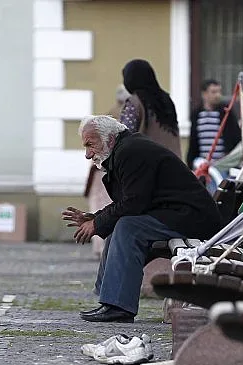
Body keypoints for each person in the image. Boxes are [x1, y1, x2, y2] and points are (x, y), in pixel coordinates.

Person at [63, 115, 224, 323]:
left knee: (128, 227)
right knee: (121, 226)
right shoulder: (126, 149)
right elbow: (130, 201)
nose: (87, 154)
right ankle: (109, 301)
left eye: (90, 145)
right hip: (178, 215)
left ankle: (118, 306)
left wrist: (97, 223)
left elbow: (134, 203)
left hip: (193, 219)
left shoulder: (130, 151)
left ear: (110, 139)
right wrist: (97, 218)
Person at [84, 84, 131, 259]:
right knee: (107, 203)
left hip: (103, 168)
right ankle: (104, 245)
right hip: (108, 167)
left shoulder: (110, 114)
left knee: (101, 203)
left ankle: (100, 246)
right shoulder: (126, 116)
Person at [118, 59, 182, 157]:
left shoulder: (134, 102)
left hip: (147, 162)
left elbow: (124, 137)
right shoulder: (166, 100)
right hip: (173, 161)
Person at [186, 79, 241, 171]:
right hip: (202, 164)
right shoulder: (196, 114)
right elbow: (193, 141)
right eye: (214, 92)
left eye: (219, 92)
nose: (217, 95)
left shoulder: (226, 113)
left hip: (222, 164)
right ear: (204, 94)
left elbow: (235, 137)